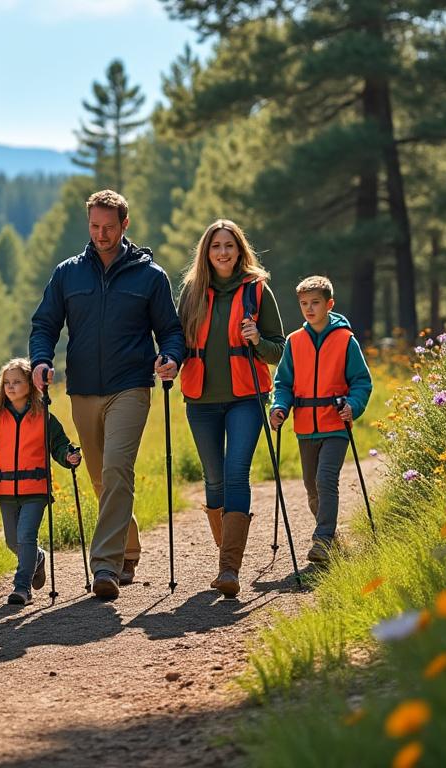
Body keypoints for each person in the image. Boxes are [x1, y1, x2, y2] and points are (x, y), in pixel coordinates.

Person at [28, 189, 183, 600]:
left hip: (131, 385)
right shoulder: (68, 274)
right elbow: (45, 325)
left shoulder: (150, 277)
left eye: (109, 227)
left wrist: (170, 356)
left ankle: (105, 567)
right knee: (100, 477)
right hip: (83, 388)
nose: (101, 234)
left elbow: (170, 330)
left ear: (124, 225)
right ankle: (127, 546)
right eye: (94, 226)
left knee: (116, 468)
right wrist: (41, 361)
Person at [176, 219, 285, 598]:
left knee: (236, 473)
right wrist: (168, 362)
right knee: (214, 479)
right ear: (206, 252)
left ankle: (229, 569)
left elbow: (279, 350)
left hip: (247, 397)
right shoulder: (191, 292)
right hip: (201, 400)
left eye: (229, 246)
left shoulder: (257, 291)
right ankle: (228, 557)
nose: (223, 252)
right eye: (216, 246)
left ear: (240, 250)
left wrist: (258, 341)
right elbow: (177, 342)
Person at [269, 275, 372, 565]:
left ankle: (323, 540)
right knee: (312, 487)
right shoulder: (294, 342)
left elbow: (362, 382)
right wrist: (279, 407)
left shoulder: (345, 340)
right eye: (304, 304)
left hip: (336, 424)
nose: (309, 309)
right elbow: (283, 384)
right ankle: (331, 538)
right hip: (305, 426)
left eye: (315, 303)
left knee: (326, 480)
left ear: (329, 304)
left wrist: (353, 405)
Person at [0, 358, 81, 606]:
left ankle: (21, 588)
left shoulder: (44, 417)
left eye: (17, 382)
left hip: (35, 489)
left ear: (30, 385)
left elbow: (59, 445)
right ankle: (38, 558)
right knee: (13, 542)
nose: (11, 387)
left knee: (25, 537)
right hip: (5, 490)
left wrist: (68, 456)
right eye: (7, 383)